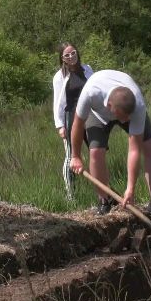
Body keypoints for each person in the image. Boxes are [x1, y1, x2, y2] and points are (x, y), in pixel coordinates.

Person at [69, 70, 151, 218]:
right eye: (122, 117)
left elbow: (134, 149)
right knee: (96, 152)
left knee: (150, 144)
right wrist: (75, 156)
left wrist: (130, 188)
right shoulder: (90, 93)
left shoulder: (137, 105)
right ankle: (104, 200)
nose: (124, 121)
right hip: (97, 114)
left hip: (127, 108)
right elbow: (78, 123)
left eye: (127, 118)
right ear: (109, 106)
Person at [52, 43, 94, 200]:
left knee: (96, 150)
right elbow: (58, 102)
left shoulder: (87, 69)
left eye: (73, 53)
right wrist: (60, 125)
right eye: (67, 55)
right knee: (71, 155)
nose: (71, 57)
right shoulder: (59, 76)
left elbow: (94, 90)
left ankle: (102, 191)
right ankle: (71, 194)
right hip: (71, 117)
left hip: (90, 115)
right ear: (62, 58)